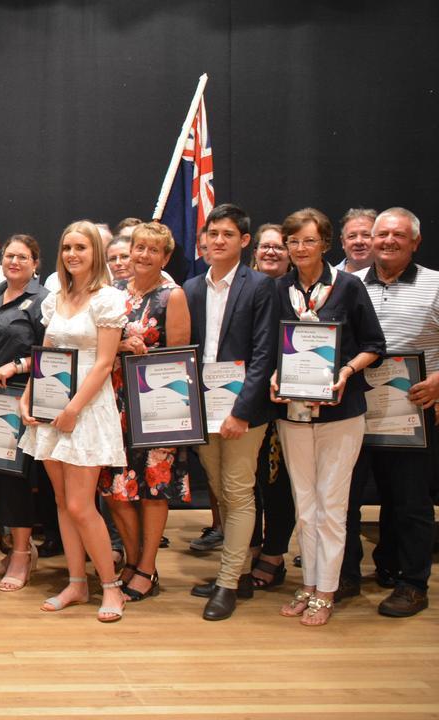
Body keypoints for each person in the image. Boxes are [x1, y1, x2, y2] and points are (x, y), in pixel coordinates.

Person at [267, 208, 384, 626]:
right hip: (294, 412)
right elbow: (274, 346)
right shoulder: (280, 288)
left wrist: (347, 372)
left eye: (308, 241)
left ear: (325, 244)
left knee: (332, 505)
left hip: (342, 411)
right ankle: (308, 583)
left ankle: (326, 590)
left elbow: (374, 344)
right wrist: (278, 375)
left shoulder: (348, 286)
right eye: (293, 241)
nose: (300, 248)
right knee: (305, 503)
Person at [17, 221, 128, 623]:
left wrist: (74, 409)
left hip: (86, 408)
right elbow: (46, 354)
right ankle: (77, 582)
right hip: (52, 407)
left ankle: (111, 587)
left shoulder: (109, 300)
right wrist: (28, 395)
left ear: (95, 252)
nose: (72, 254)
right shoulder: (56, 299)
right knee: (63, 503)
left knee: (82, 505)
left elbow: (104, 363)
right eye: (66, 247)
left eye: (80, 247)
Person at [183, 203, 277, 621]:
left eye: (227, 234)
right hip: (203, 406)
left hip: (242, 412)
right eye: (212, 234)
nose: (218, 241)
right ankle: (236, 570)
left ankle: (227, 584)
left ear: (244, 241)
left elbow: (264, 355)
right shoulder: (191, 289)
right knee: (221, 492)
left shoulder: (260, 286)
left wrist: (241, 411)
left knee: (238, 492)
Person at [344, 207, 439, 617]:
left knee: (409, 502)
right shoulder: (346, 285)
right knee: (344, 499)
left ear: (415, 242)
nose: (387, 241)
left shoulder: (436, 285)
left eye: (398, 235)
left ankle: (411, 582)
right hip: (353, 410)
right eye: (381, 234)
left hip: (411, 408)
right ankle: (345, 575)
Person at [100, 222, 191, 602]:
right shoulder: (113, 294)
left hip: (156, 406)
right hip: (112, 403)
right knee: (116, 488)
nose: (143, 256)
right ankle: (133, 559)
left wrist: (141, 351)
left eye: (154, 250)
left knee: (154, 487)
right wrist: (121, 345)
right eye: (139, 247)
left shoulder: (173, 296)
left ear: (166, 257)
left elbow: (178, 359)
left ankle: (148, 567)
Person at [0, 234, 52, 590]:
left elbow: (50, 354)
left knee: (18, 479)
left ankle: (22, 554)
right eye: (9, 256)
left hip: (23, 400)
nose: (14, 262)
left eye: (23, 257)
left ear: (36, 263)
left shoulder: (42, 301)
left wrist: (17, 366)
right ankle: (16, 548)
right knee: (0, 476)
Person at [245, 223, 297, 592]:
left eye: (280, 246)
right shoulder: (247, 288)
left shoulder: (298, 292)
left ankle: (274, 553)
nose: (272, 252)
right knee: (247, 483)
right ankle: (250, 549)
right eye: (266, 246)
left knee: (276, 482)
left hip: (287, 401)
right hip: (248, 398)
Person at [335, 208, 377, 272]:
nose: (358, 241)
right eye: (352, 236)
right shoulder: (330, 278)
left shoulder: (392, 277)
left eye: (366, 235)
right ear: (343, 242)